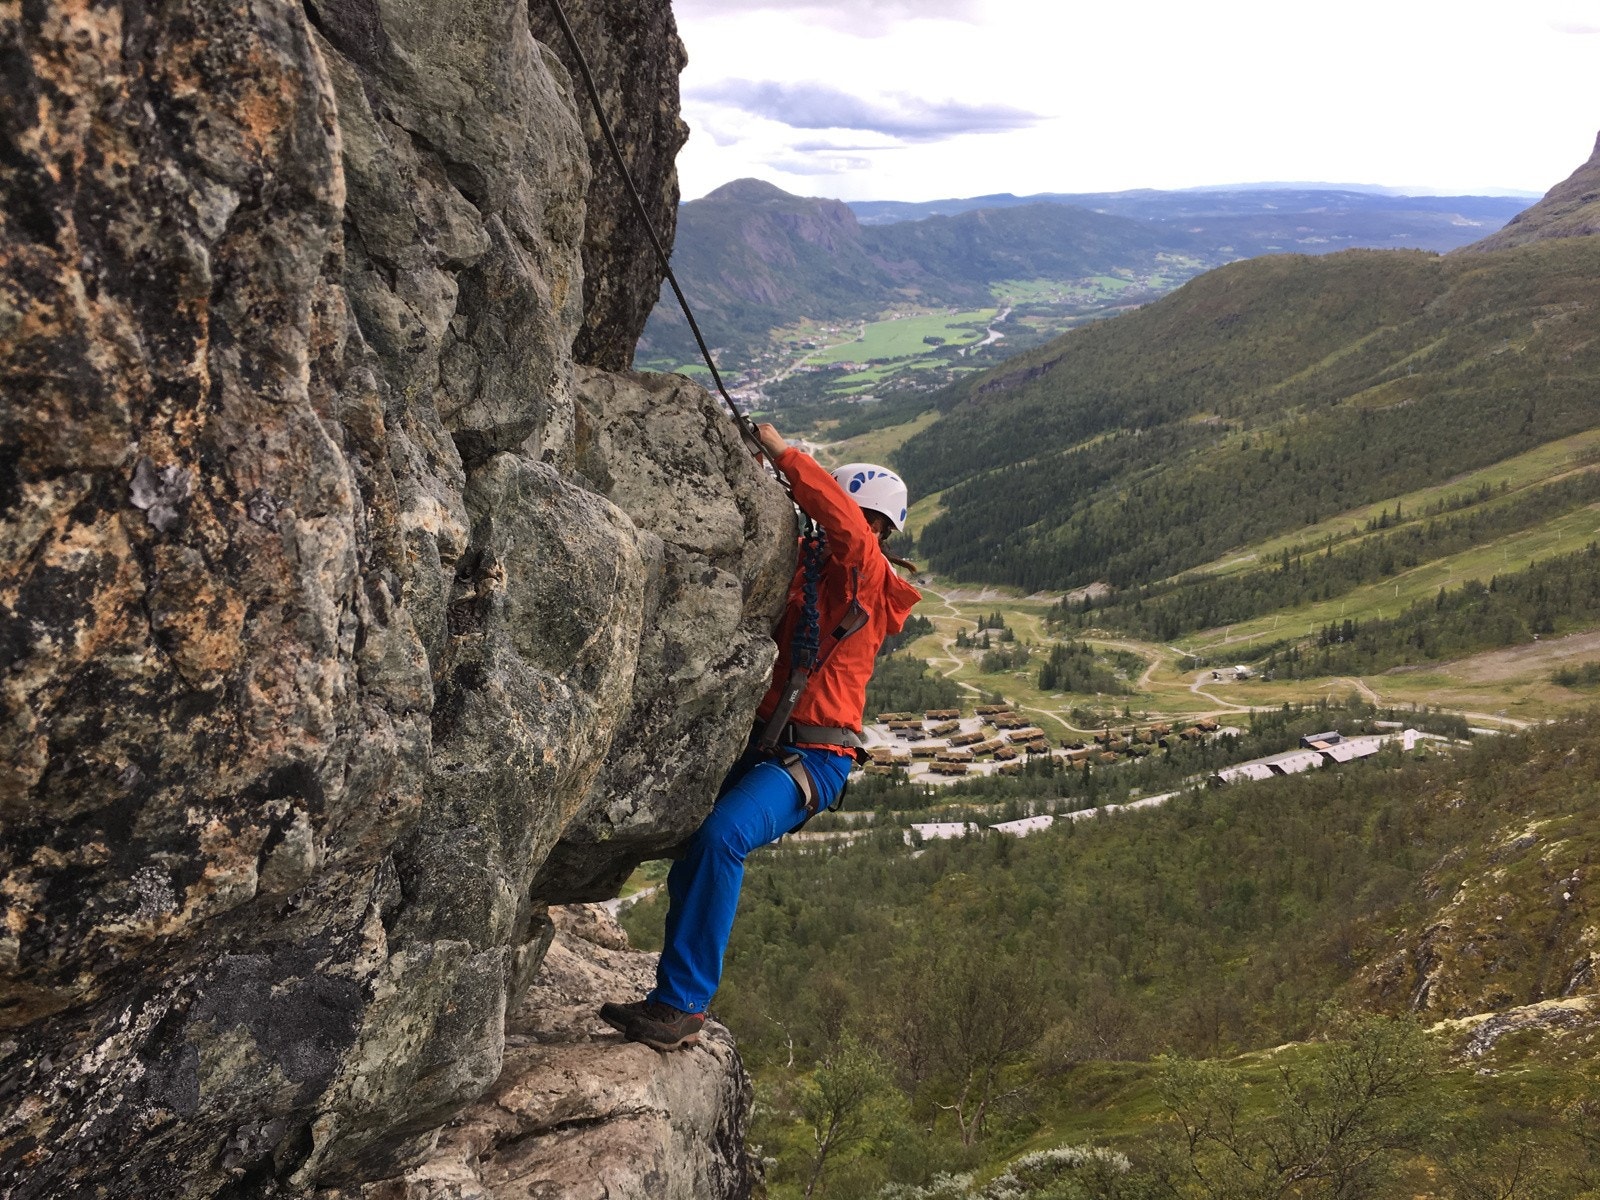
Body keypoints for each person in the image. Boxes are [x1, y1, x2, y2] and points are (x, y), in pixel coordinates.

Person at [600, 422, 922, 1050]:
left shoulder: (866, 574)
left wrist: (784, 454)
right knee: (694, 842)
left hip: (814, 756)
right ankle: (671, 995)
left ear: (876, 528)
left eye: (861, 523)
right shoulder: (817, 572)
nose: (850, 532)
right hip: (769, 741)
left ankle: (682, 1006)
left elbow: (850, 534)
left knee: (722, 838)